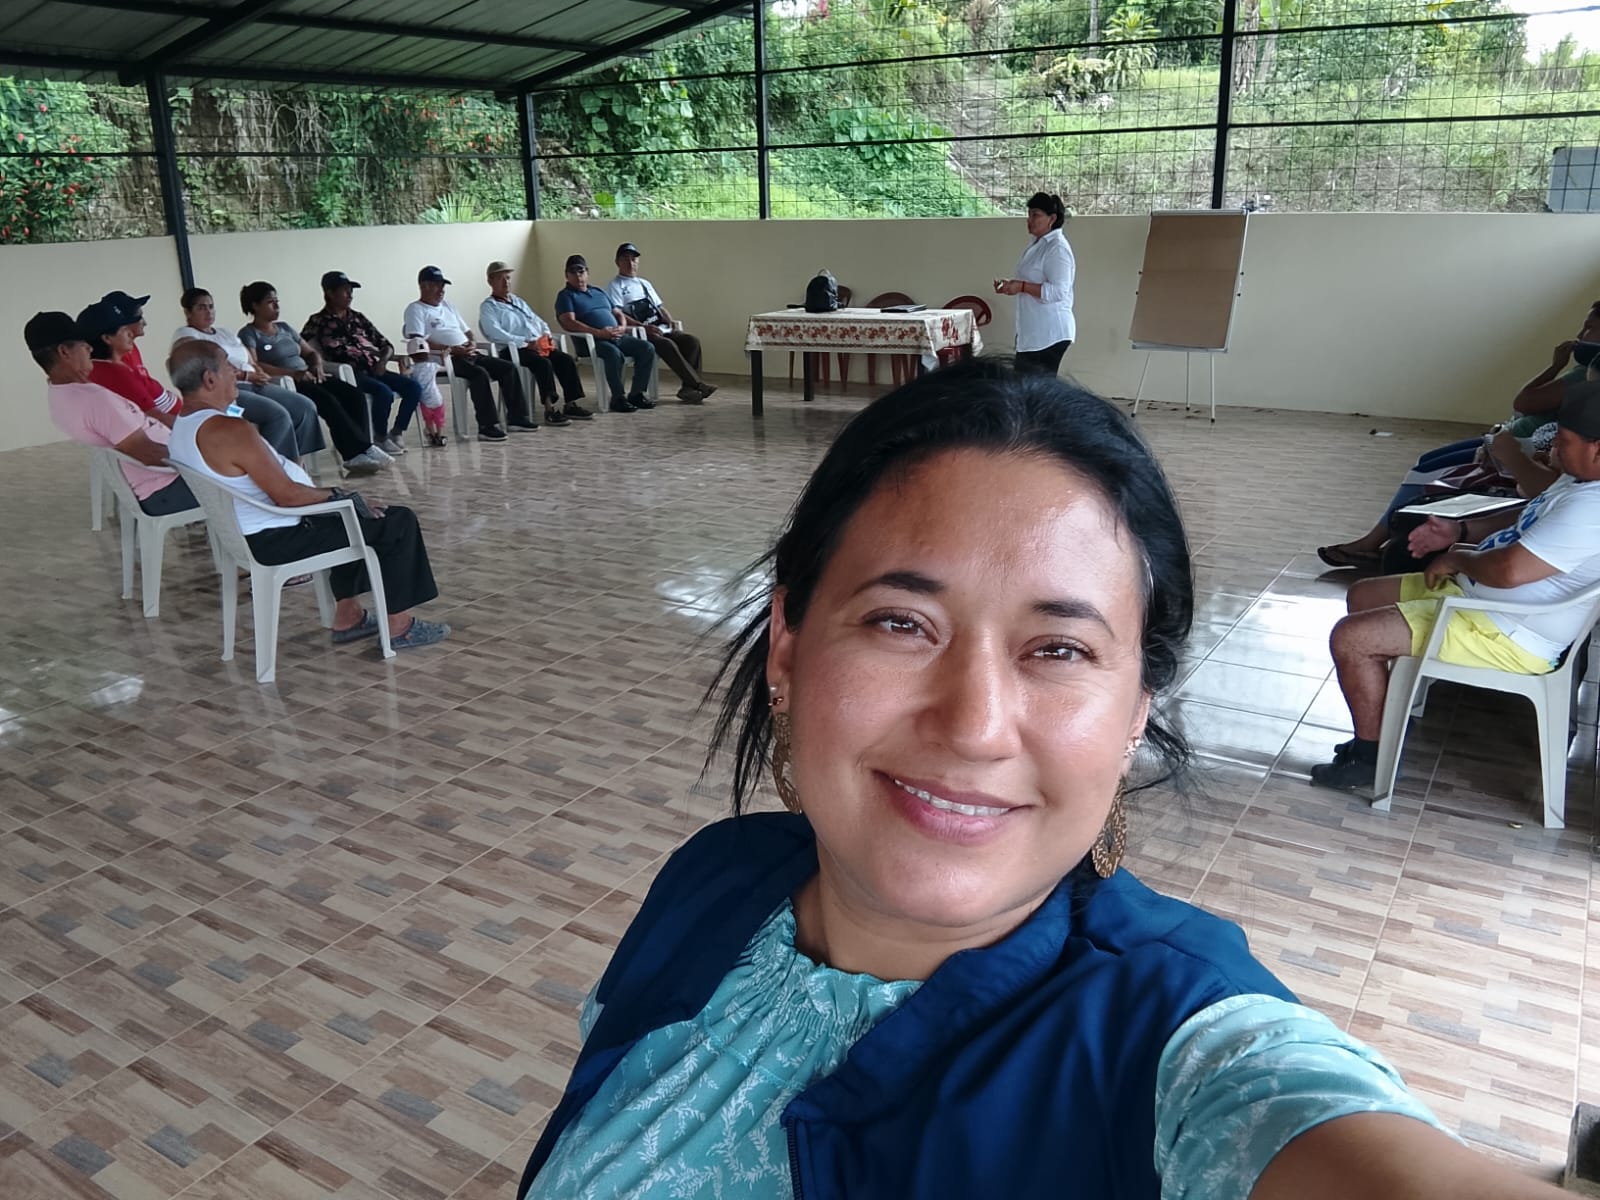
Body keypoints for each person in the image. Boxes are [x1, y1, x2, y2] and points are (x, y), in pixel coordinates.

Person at [517, 360, 1565, 1200]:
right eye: (900, 623)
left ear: (1138, 703)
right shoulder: (713, 877)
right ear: (787, 646)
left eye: (1059, 649)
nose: (974, 726)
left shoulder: (1176, 1048)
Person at [1313, 381, 1600, 793]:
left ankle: (1370, 758)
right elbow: (1526, 513)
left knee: (1351, 639)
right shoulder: (1580, 481)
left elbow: (1508, 572)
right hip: (1480, 601)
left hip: (1507, 632)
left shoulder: (1592, 509)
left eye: (1565, 441)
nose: (1554, 446)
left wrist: (1457, 557)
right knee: (1363, 595)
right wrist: (1458, 530)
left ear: (1598, 449)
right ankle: (1387, 717)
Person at [163, 339, 450, 653]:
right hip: (277, 537)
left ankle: (349, 617)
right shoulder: (228, 430)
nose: (236, 371)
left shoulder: (183, 426)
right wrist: (343, 495)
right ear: (209, 379)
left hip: (251, 535)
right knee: (396, 522)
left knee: (348, 514)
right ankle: (401, 628)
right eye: (228, 365)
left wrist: (337, 500)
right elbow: (287, 496)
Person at [1317, 300, 1600, 569]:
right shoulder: (1584, 373)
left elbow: (1525, 403)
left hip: (1514, 449)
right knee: (1427, 462)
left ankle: (1377, 542)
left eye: (1589, 328)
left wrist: (1512, 455)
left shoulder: (1585, 387)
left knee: (1426, 475)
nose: (1580, 335)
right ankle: (1382, 539)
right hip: (1509, 444)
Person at [27, 310, 196, 516]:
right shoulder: (95, 400)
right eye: (83, 344)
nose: (90, 348)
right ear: (64, 352)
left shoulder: (58, 394)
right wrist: (201, 458)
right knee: (234, 485)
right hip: (165, 487)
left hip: (152, 485)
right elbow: (148, 453)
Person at [237, 280, 389, 475]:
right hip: (287, 382)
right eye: (270, 302)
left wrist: (316, 364)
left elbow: (309, 352)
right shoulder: (249, 333)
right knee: (328, 401)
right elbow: (255, 364)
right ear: (255, 306)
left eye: (277, 301)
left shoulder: (285, 328)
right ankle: (355, 453)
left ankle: (362, 448)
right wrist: (293, 374)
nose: (276, 306)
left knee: (353, 395)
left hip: (309, 374)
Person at [171, 287, 324, 462]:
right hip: (229, 393)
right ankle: (266, 466)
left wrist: (259, 373)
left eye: (211, 306)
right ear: (188, 312)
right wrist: (245, 376)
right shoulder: (186, 336)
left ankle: (295, 461)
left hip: (255, 383)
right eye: (201, 307)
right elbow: (206, 368)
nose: (208, 312)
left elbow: (250, 360)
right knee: (278, 415)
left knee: (304, 406)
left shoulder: (224, 333)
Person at [403, 264, 534, 442]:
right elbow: (418, 342)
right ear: (424, 286)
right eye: (437, 286)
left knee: (507, 368)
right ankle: (487, 426)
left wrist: (472, 343)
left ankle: (517, 418)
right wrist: (450, 349)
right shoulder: (416, 309)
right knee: (479, 374)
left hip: (468, 353)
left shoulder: (448, 306)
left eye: (443, 286)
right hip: (444, 359)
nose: (441, 290)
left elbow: (468, 331)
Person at [301, 270, 423, 452]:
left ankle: (397, 432)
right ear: (330, 293)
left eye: (351, 291)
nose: (350, 295)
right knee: (383, 392)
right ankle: (380, 437)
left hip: (374, 367)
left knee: (414, 388)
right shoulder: (317, 321)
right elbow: (303, 348)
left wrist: (383, 361)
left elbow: (385, 344)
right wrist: (316, 363)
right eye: (345, 291)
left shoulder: (358, 318)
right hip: (349, 373)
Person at [478, 259, 592, 427]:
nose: (506, 282)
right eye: (500, 278)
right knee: (543, 364)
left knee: (565, 359)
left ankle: (571, 404)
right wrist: (525, 343)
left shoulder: (517, 301)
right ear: (490, 281)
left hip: (536, 346)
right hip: (514, 349)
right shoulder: (489, 307)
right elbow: (494, 332)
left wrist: (546, 336)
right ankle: (549, 409)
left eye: (508, 278)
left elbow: (538, 321)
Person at [606, 242, 716, 405]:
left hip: (659, 327)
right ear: (617, 262)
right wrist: (643, 327)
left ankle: (687, 389)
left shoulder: (644, 283)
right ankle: (697, 384)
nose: (630, 263)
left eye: (633, 259)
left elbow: (659, 307)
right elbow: (619, 314)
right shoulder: (615, 286)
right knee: (666, 344)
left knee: (691, 341)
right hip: (640, 332)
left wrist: (670, 320)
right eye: (625, 259)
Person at [554, 254, 656, 413]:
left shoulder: (598, 292)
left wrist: (622, 327)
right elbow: (569, 322)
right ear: (567, 275)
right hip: (593, 342)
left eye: (581, 271)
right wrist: (598, 333)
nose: (578, 276)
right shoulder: (566, 296)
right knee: (613, 354)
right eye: (573, 272)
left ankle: (637, 394)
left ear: (587, 272)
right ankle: (618, 397)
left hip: (617, 336)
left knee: (647, 348)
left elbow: (618, 313)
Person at [994, 190, 1075, 377]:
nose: (1029, 220)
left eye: (1036, 215)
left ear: (1052, 218)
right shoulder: (1037, 244)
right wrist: (1012, 285)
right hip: (1033, 332)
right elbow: (1031, 279)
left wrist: (1021, 287)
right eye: (1029, 214)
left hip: (1049, 332)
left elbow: (1059, 291)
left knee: (1033, 387)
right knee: (1025, 385)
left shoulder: (1057, 248)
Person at [79, 296, 179, 426]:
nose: (130, 333)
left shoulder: (96, 367)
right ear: (107, 338)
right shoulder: (116, 373)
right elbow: (156, 417)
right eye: (124, 330)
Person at [404, 335, 450, 448]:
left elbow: (404, 374)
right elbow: (445, 367)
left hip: (424, 400)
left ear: (411, 356)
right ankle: (440, 435)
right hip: (437, 398)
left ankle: (433, 436)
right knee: (439, 419)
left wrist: (402, 364)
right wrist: (444, 356)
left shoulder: (413, 368)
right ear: (428, 354)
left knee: (428, 420)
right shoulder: (433, 366)